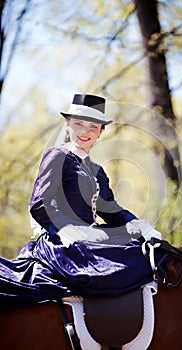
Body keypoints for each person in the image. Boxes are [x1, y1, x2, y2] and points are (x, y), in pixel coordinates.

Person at [0, 94, 162, 307]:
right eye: (79, 124)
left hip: (90, 236)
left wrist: (138, 225)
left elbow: (111, 211)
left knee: (142, 252)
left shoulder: (97, 170)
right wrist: (64, 229)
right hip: (62, 241)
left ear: (101, 132)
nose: (85, 132)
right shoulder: (58, 156)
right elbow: (40, 203)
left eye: (93, 127)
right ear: (68, 125)